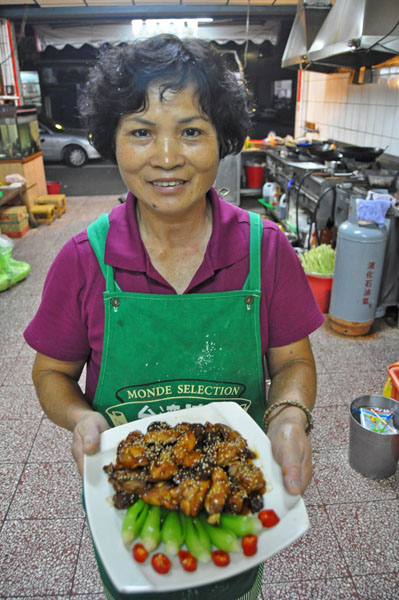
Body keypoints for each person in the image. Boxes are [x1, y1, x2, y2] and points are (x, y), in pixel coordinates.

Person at [24, 34, 324, 600]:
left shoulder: (267, 249)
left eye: (191, 130)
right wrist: (81, 420)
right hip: (132, 512)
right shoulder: (83, 259)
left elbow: (292, 362)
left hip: (230, 499)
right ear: (112, 141)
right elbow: (51, 375)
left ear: (222, 140)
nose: (166, 157)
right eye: (141, 132)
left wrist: (288, 416)